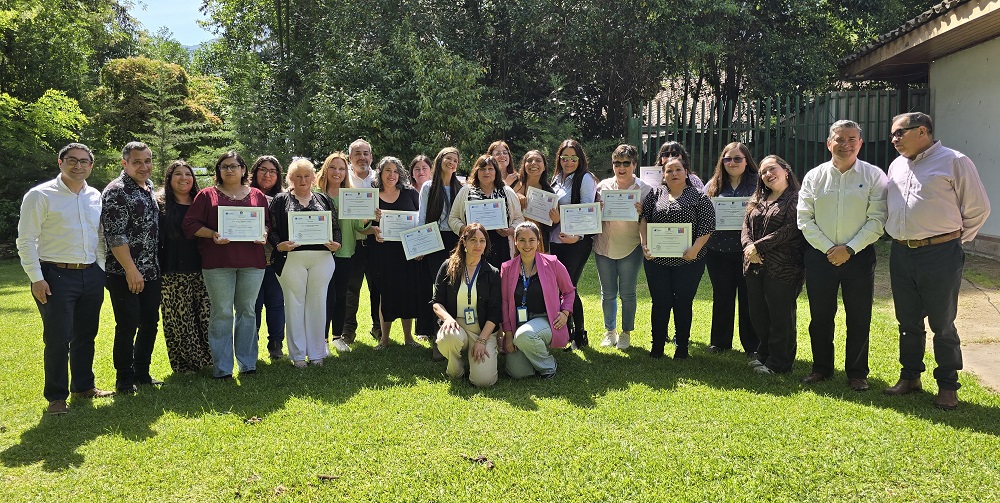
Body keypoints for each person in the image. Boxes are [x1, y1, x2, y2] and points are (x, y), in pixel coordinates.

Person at [882, 112, 990, 410]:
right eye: (892, 134)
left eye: (899, 133)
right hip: (902, 252)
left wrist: (952, 239)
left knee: (942, 323)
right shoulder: (896, 165)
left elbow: (978, 208)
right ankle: (910, 376)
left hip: (940, 254)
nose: (894, 139)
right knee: (907, 320)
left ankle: (947, 385)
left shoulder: (955, 161)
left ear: (922, 131)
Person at [16, 142, 113, 414]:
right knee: (58, 338)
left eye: (84, 161)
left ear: (91, 166)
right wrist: (37, 278)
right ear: (60, 163)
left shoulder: (94, 195)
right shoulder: (40, 195)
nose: (78, 165)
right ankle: (56, 397)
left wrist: (100, 269)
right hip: (54, 275)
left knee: (86, 334)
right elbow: (26, 240)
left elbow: (99, 236)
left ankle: (83, 386)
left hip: (90, 274)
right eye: (72, 160)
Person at [797, 120, 888, 391]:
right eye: (839, 139)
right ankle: (821, 368)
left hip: (859, 256)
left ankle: (857, 373)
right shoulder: (814, 176)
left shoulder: (874, 176)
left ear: (860, 143)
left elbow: (878, 219)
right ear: (829, 143)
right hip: (820, 256)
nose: (845, 144)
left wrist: (848, 249)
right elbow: (804, 219)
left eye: (851, 139)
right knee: (820, 317)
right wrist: (829, 248)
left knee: (859, 317)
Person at [183, 151, 269, 379]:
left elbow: (267, 223)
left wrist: (263, 233)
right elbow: (190, 224)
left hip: (252, 263)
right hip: (217, 263)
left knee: (247, 311)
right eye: (224, 167)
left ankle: (247, 364)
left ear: (243, 169)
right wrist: (213, 234)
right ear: (219, 171)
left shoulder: (257, 195)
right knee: (221, 312)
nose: (229, 170)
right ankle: (222, 367)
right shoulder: (206, 195)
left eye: (233, 166)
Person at [268, 158, 342, 367]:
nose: (302, 180)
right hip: (291, 259)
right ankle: (298, 355)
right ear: (290, 178)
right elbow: (272, 229)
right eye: (298, 176)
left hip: (322, 259)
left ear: (313, 178)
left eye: (306, 175)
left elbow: (335, 227)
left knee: (318, 304)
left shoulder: (323, 199)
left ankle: (317, 353)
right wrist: (279, 245)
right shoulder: (280, 200)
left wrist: (337, 243)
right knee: (294, 305)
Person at [102, 141, 162, 394]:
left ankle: (142, 373)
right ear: (124, 163)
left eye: (147, 161)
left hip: (151, 271)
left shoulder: (148, 187)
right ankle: (124, 379)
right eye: (137, 162)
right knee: (127, 325)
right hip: (124, 273)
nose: (144, 166)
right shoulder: (116, 192)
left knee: (150, 322)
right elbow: (115, 236)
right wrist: (131, 270)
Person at [639, 158, 715, 359]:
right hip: (657, 261)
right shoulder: (656, 194)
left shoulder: (699, 196)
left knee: (683, 302)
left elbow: (707, 225)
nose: (674, 173)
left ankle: (682, 347)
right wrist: (644, 244)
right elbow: (644, 219)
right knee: (660, 302)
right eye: (669, 170)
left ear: (686, 172)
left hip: (688, 261)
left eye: (678, 169)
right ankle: (657, 347)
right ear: (663, 175)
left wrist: (695, 249)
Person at [742, 155, 805, 375]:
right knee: (759, 314)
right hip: (754, 265)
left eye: (772, 169)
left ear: (786, 170)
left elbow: (791, 229)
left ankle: (780, 363)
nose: (768, 174)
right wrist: (749, 247)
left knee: (780, 316)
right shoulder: (758, 199)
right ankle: (765, 354)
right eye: (763, 172)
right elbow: (745, 226)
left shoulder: (797, 198)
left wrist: (758, 247)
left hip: (784, 267)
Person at [702, 142, 759, 357]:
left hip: (748, 251)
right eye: (727, 159)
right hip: (718, 251)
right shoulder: (713, 185)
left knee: (748, 297)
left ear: (747, 161)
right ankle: (720, 342)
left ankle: (752, 345)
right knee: (722, 295)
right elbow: (703, 212)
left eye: (737, 159)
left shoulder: (758, 184)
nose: (732, 163)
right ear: (722, 161)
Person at [157, 160, 213, 374]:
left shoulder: (202, 202)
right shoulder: (160, 204)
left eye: (188, 174)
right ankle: (186, 364)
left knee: (206, 317)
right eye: (178, 174)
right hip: (172, 270)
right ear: (169, 179)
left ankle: (208, 360)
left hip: (203, 269)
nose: (184, 178)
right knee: (180, 321)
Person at [501, 222, 576, 379]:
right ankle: (533, 350)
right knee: (518, 372)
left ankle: (548, 366)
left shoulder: (552, 263)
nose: (527, 245)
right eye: (522, 240)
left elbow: (569, 291)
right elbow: (505, 302)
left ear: (538, 240)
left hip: (546, 320)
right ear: (515, 241)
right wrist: (508, 334)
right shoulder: (507, 268)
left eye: (531, 240)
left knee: (524, 335)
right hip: (519, 323)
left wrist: (565, 312)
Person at [593, 144, 650, 350]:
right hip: (603, 246)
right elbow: (590, 217)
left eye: (626, 163)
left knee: (627, 293)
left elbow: (652, 219)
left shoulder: (645, 190)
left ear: (634, 164)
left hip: (631, 247)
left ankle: (626, 333)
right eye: (617, 163)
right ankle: (610, 331)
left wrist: (644, 211)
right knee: (607, 293)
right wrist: (596, 210)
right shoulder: (602, 187)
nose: (621, 167)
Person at [432, 223, 502, 387]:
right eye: (473, 240)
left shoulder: (492, 273)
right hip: (457, 327)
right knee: (449, 336)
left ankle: (475, 357)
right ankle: (456, 367)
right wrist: (448, 319)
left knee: (484, 381)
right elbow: (436, 302)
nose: (478, 245)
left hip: (482, 331)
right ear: (464, 242)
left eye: (482, 241)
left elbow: (495, 313)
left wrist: (482, 341)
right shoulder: (448, 267)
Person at [318, 151, 370, 353]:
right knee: (325, 297)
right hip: (320, 254)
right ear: (325, 170)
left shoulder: (350, 195)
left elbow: (358, 225)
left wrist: (370, 218)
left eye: (341, 168)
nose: (337, 172)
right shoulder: (315, 195)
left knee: (340, 296)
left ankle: (337, 337)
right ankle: (321, 340)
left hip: (345, 253)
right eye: (333, 167)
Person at [548, 139, 598, 348]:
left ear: (580, 159)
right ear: (559, 159)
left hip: (576, 243)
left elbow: (588, 210)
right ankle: (567, 333)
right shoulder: (556, 179)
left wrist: (577, 236)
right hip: (555, 241)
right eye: (564, 158)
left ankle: (580, 334)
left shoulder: (585, 178)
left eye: (573, 158)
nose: (568, 162)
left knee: (568, 287)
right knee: (560, 288)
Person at [368, 156, 421, 349]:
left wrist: (419, 247)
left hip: (406, 252)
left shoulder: (410, 193)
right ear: (380, 173)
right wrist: (372, 227)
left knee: (407, 292)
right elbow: (362, 226)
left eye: (396, 171)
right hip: (381, 251)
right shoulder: (372, 195)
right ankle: (384, 339)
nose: (392, 175)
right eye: (388, 170)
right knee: (385, 294)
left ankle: (408, 338)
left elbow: (420, 221)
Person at [417, 147, 463, 357]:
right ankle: (437, 333)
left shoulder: (461, 187)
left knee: (454, 284)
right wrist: (420, 245)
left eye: (455, 160)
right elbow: (422, 216)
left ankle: (453, 331)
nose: (451, 162)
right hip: (433, 239)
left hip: (455, 239)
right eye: (448, 158)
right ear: (440, 160)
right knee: (437, 285)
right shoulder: (428, 186)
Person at [448, 154, 524, 271]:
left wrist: (509, 231)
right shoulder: (466, 191)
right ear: (476, 171)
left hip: (501, 245)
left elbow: (519, 219)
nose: (486, 172)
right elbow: (453, 218)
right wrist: (466, 230)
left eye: (490, 169)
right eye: (482, 169)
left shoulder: (507, 191)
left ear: (496, 171)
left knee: (500, 279)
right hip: (473, 244)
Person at [343, 139, 381, 343]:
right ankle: (348, 330)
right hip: (353, 242)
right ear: (350, 157)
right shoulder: (343, 178)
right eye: (357, 153)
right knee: (351, 289)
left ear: (371, 157)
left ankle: (378, 327)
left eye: (366, 153)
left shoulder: (380, 178)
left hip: (376, 243)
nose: (362, 157)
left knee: (377, 287)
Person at [249, 155, 286, 358]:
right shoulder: (244, 196)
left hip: (276, 260)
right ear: (254, 172)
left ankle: (276, 345)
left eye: (273, 171)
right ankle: (250, 347)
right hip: (250, 261)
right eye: (263, 170)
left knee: (276, 304)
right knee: (252, 306)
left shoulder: (285, 199)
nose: (267, 174)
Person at [509, 150, 557, 252]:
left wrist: (556, 220)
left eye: (538, 160)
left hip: (536, 241)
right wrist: (516, 195)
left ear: (544, 167)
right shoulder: (513, 183)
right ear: (524, 165)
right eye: (529, 160)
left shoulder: (549, 192)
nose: (533, 163)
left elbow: (549, 227)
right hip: (511, 238)